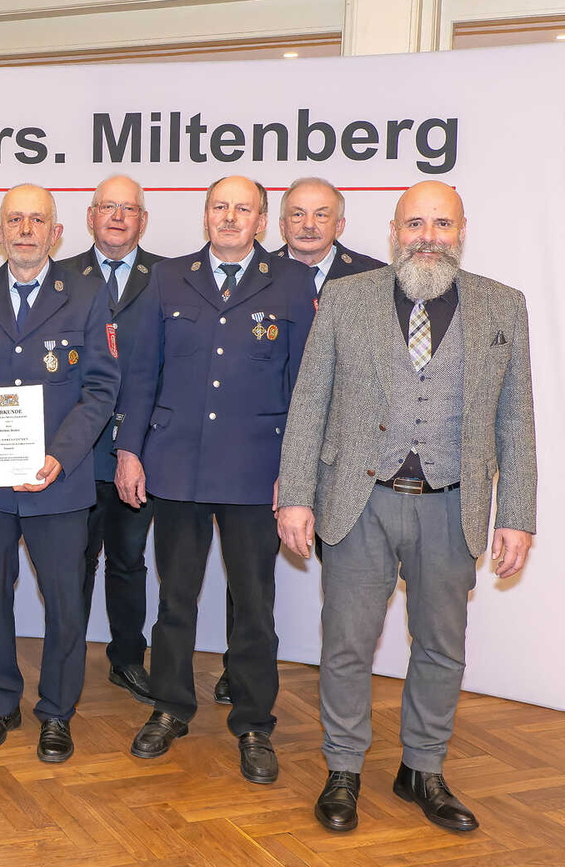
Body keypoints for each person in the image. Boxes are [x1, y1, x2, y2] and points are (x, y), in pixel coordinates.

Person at [276, 180, 535, 833]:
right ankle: (343, 769)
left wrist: (518, 514)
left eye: (441, 224)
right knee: (346, 646)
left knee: (442, 648)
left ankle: (421, 767)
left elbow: (517, 419)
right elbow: (309, 402)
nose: (427, 236)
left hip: (453, 506)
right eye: (414, 224)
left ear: (461, 230)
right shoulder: (344, 298)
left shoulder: (503, 306)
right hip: (359, 502)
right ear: (393, 232)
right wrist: (296, 498)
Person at [115, 176, 315, 785]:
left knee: (254, 605)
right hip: (176, 466)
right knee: (175, 599)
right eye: (219, 207)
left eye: (243, 209)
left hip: (258, 472)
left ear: (262, 221)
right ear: (205, 216)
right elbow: (141, 373)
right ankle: (170, 706)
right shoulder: (168, 278)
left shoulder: (292, 282)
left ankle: (254, 721)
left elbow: (305, 387)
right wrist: (129, 452)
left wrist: (297, 476)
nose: (230, 217)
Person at [0, 185, 120, 762]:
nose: (25, 229)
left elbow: (101, 388)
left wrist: (61, 456)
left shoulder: (89, 296)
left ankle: (56, 713)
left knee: (66, 600)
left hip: (59, 480)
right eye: (14, 220)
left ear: (57, 234)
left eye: (37, 220)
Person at [208, 176, 389, 707]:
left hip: (350, 455)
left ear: (340, 223)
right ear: (277, 222)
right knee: (248, 570)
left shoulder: (375, 279)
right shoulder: (248, 275)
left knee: (347, 572)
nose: (308, 225)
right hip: (269, 449)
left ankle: (342, 683)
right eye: (297, 214)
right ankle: (239, 668)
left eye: (321, 214)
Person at [52, 174, 161, 706]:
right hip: (73, 450)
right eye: (107, 208)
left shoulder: (168, 277)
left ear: (143, 220)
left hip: (137, 448)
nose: (117, 217)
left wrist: (133, 446)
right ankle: (65, 659)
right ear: (90, 216)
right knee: (72, 560)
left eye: (128, 209)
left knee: (127, 558)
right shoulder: (60, 276)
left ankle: (126, 658)